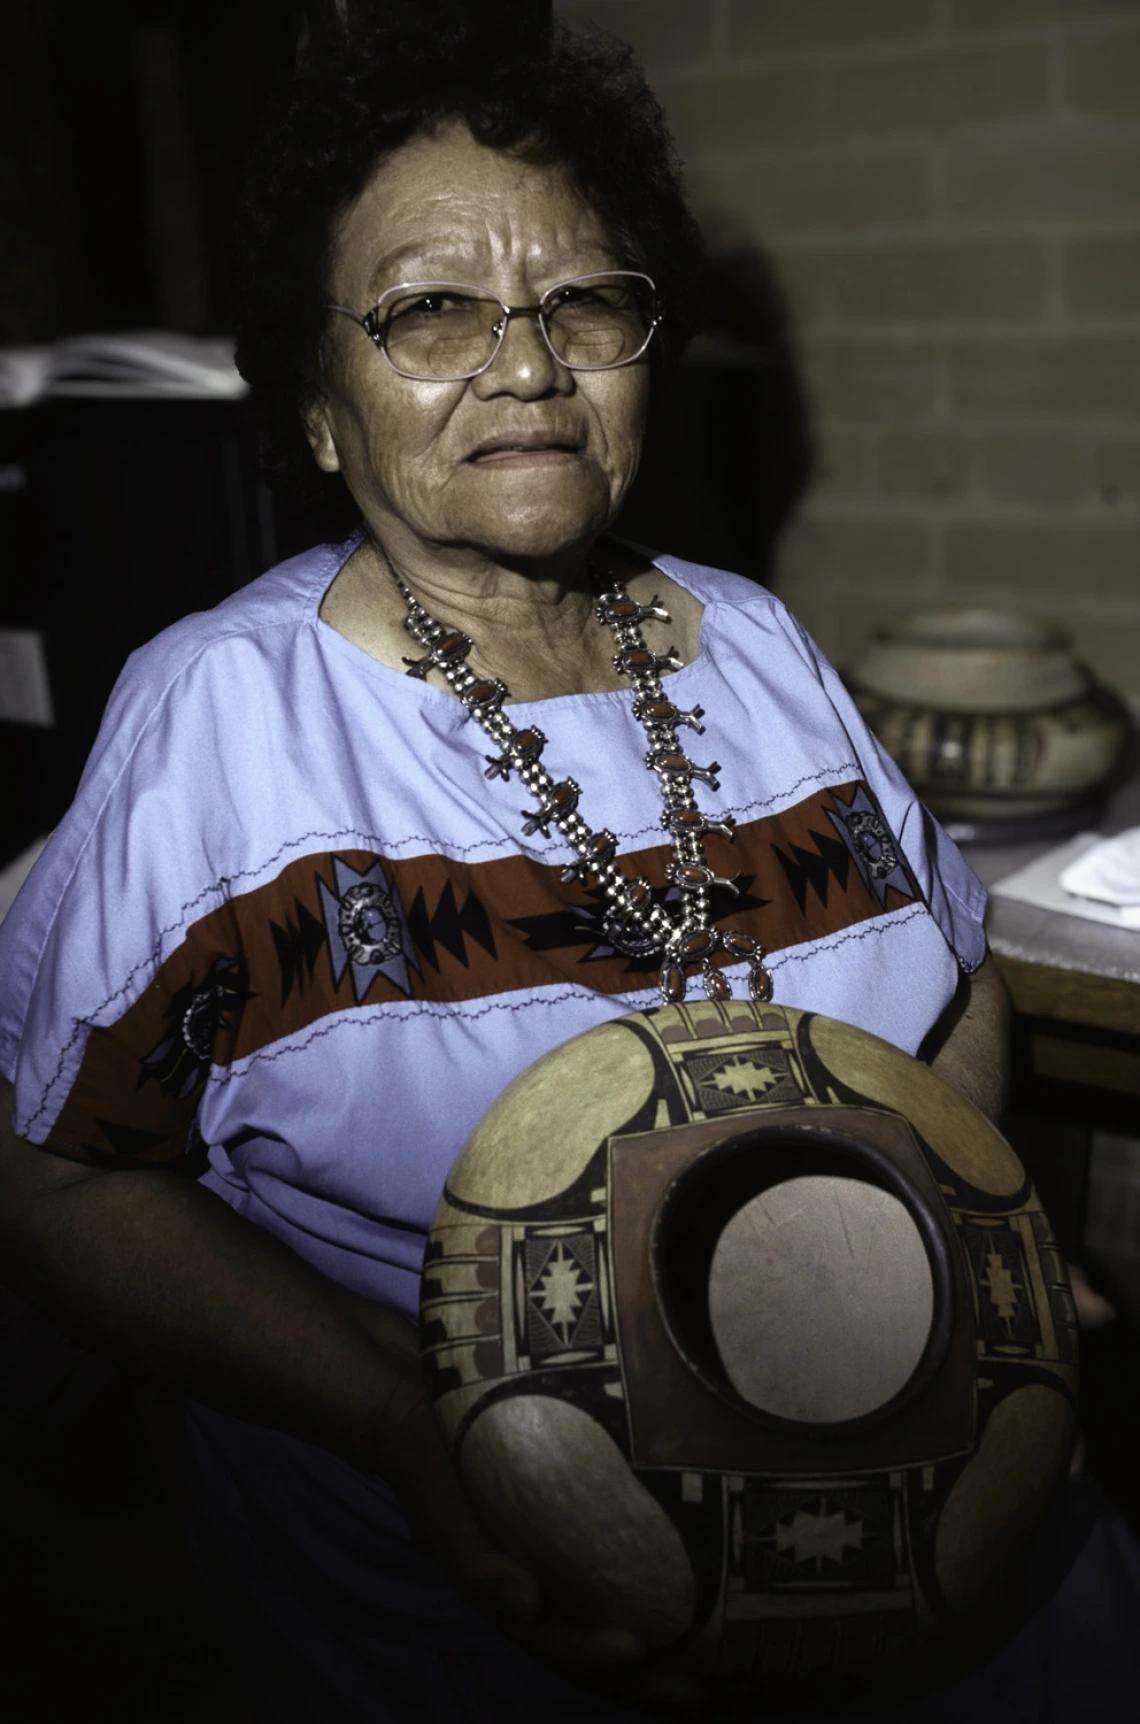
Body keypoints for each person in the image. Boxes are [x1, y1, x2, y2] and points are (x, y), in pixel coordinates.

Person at [0, 16, 1136, 1723]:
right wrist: (399, 1417)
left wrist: (967, 1224)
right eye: (429, 312)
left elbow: (960, 974)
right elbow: (66, 1184)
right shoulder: (223, 723)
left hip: (916, 1483)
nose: (527, 367)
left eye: (583, 304)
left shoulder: (755, 642)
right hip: (484, 1589)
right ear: (318, 405)